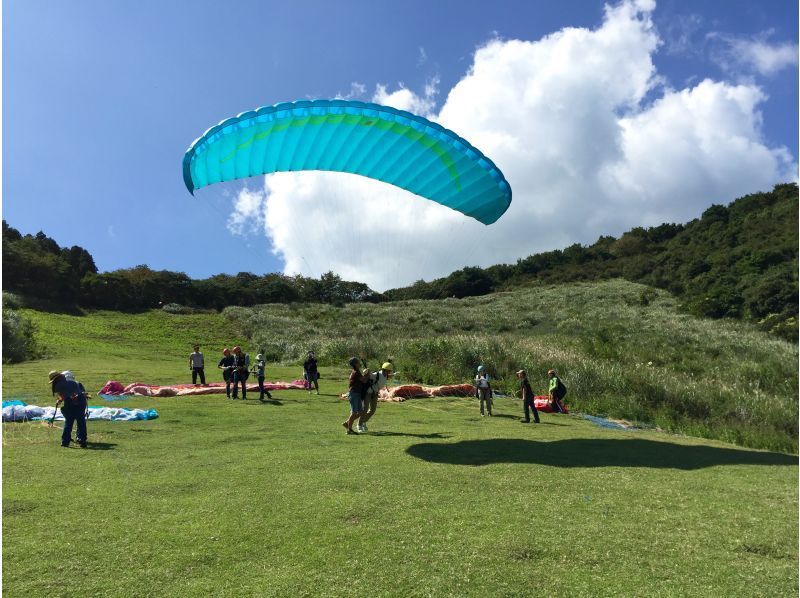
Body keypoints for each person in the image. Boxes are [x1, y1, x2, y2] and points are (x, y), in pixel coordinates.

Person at [49, 370, 88, 448]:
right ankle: (81, 440)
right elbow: (67, 394)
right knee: (80, 422)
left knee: (70, 422)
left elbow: (68, 394)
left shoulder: (62, 384)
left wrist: (62, 399)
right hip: (78, 402)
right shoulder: (69, 383)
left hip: (75, 402)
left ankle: (66, 441)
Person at [357, 361, 393, 432]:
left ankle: (363, 422)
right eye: (388, 371)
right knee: (365, 409)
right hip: (368, 393)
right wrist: (366, 371)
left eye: (390, 371)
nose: (389, 372)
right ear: (384, 370)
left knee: (372, 410)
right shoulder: (376, 374)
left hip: (375, 394)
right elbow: (366, 375)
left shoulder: (386, 376)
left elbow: (390, 376)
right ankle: (359, 425)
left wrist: (394, 374)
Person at [343, 357, 369, 435]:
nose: (359, 363)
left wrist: (366, 374)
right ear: (355, 364)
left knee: (361, 412)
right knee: (354, 413)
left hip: (357, 394)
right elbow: (364, 380)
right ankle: (349, 430)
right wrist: (368, 374)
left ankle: (347, 423)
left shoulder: (357, 371)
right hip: (354, 394)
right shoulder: (355, 372)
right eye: (358, 362)